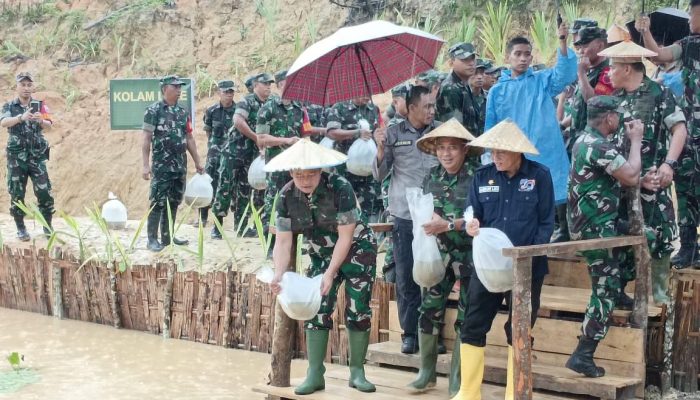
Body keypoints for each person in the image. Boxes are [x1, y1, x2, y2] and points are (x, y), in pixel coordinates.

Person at [268, 139, 377, 395]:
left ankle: (357, 372)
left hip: (356, 251)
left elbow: (346, 236)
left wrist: (330, 274)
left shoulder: (340, 187)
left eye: (311, 174)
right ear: (291, 173)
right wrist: (279, 274)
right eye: (299, 174)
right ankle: (315, 373)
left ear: (320, 170)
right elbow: (283, 242)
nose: (305, 180)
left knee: (357, 309)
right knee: (316, 308)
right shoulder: (284, 197)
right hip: (319, 254)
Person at [455, 120, 554, 400]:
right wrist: (470, 222)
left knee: (519, 329)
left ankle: (516, 393)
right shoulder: (482, 176)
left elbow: (547, 223)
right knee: (473, 324)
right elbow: (470, 210)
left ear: (518, 152)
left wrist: (531, 256)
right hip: (487, 266)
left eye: (501, 152)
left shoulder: (539, 176)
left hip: (526, 268)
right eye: (492, 151)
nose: (495, 156)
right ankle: (468, 392)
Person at [599, 40, 687, 304]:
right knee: (621, 241)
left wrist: (668, 163)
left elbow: (679, 129)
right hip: (620, 188)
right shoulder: (613, 102)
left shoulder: (659, 94)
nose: (609, 73)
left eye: (613, 68)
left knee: (659, 239)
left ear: (627, 68)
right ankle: (622, 301)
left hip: (653, 185)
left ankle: (660, 302)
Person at [566, 96, 644, 377]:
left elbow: (619, 175)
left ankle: (620, 291)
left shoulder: (583, 139)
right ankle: (582, 354)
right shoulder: (597, 145)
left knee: (640, 237)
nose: (620, 121)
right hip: (595, 228)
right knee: (604, 290)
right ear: (609, 118)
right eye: (617, 116)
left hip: (596, 222)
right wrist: (636, 140)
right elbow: (632, 175)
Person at [408, 119, 479, 396]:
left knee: (466, 317)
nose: (446, 153)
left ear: (464, 149)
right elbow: (426, 213)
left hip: (471, 256)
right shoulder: (432, 178)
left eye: (452, 148)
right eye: (441, 148)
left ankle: (458, 381)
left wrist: (449, 223)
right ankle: (426, 373)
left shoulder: (477, 177)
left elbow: (480, 218)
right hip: (439, 256)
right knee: (428, 310)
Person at [373, 85, 440, 354]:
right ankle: (409, 334)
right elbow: (379, 175)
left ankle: (432, 333)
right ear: (411, 108)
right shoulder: (392, 134)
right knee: (406, 276)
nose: (432, 111)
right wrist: (379, 149)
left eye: (433, 106)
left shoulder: (442, 130)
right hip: (404, 215)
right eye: (427, 106)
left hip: (436, 215)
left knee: (437, 274)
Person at [636, 3, 700, 268]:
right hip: (690, 134)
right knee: (686, 192)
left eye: (693, 13)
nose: (689, 20)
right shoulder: (689, 44)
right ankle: (689, 248)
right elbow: (658, 55)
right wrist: (646, 32)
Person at [484, 23, 577, 204]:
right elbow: (491, 130)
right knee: (517, 207)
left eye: (527, 54)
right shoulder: (496, 91)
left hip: (545, 153)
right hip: (513, 156)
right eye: (518, 54)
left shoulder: (542, 80)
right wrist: (493, 158)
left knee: (547, 204)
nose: (523, 59)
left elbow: (565, 74)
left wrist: (563, 41)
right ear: (507, 57)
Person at [553, 26, 613, 243]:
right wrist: (561, 124)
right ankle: (566, 229)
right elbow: (577, 107)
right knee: (567, 183)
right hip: (577, 137)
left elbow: (595, 103)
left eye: (585, 45)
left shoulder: (607, 71)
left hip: (596, 143)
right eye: (578, 46)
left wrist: (580, 74)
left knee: (590, 190)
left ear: (600, 44)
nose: (581, 50)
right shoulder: (587, 70)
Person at [141, 75, 204, 251]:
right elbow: (146, 138)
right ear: (164, 89)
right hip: (162, 166)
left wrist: (197, 162)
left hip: (179, 166)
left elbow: (189, 138)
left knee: (174, 201)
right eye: (175, 87)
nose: (179, 90)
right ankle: (152, 239)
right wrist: (145, 165)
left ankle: (168, 237)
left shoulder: (183, 112)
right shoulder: (153, 111)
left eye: (180, 87)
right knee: (157, 202)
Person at [211, 73, 272, 239]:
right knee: (224, 189)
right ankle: (217, 228)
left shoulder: (269, 104)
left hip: (251, 156)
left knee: (244, 192)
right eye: (265, 83)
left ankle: (242, 227)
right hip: (233, 153)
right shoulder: (247, 101)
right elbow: (238, 121)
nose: (268, 87)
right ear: (255, 85)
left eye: (270, 84)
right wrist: (256, 138)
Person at [0, 72, 54, 241]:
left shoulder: (40, 105)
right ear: (17, 87)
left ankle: (47, 226)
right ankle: (21, 228)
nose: (26, 88)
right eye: (22, 85)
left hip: (37, 157)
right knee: (17, 194)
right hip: (17, 159)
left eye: (29, 85)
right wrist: (20, 118)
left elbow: (50, 125)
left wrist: (40, 121)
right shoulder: (9, 106)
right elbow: (3, 122)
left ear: (33, 87)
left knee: (44, 191)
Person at [326, 97, 383, 221]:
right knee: (344, 207)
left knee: (370, 207)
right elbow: (331, 133)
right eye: (364, 94)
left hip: (368, 172)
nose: (367, 97)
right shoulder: (339, 108)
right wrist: (356, 133)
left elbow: (379, 131)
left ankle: (368, 236)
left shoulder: (373, 109)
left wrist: (378, 136)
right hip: (344, 171)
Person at [200, 80, 237, 227]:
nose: (229, 95)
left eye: (231, 92)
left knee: (232, 187)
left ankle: (235, 220)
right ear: (219, 93)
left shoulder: (239, 110)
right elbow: (208, 130)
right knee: (209, 185)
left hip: (232, 154)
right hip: (214, 155)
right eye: (226, 92)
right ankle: (203, 218)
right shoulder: (212, 110)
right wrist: (213, 146)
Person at [436, 43, 483, 136]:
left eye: (473, 58)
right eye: (465, 59)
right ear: (451, 62)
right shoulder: (451, 89)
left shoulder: (464, 85)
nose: (471, 63)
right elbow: (453, 131)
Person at [469, 59, 489, 134]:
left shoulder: (490, 98)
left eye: (482, 73)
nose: (479, 77)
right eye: (475, 73)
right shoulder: (463, 96)